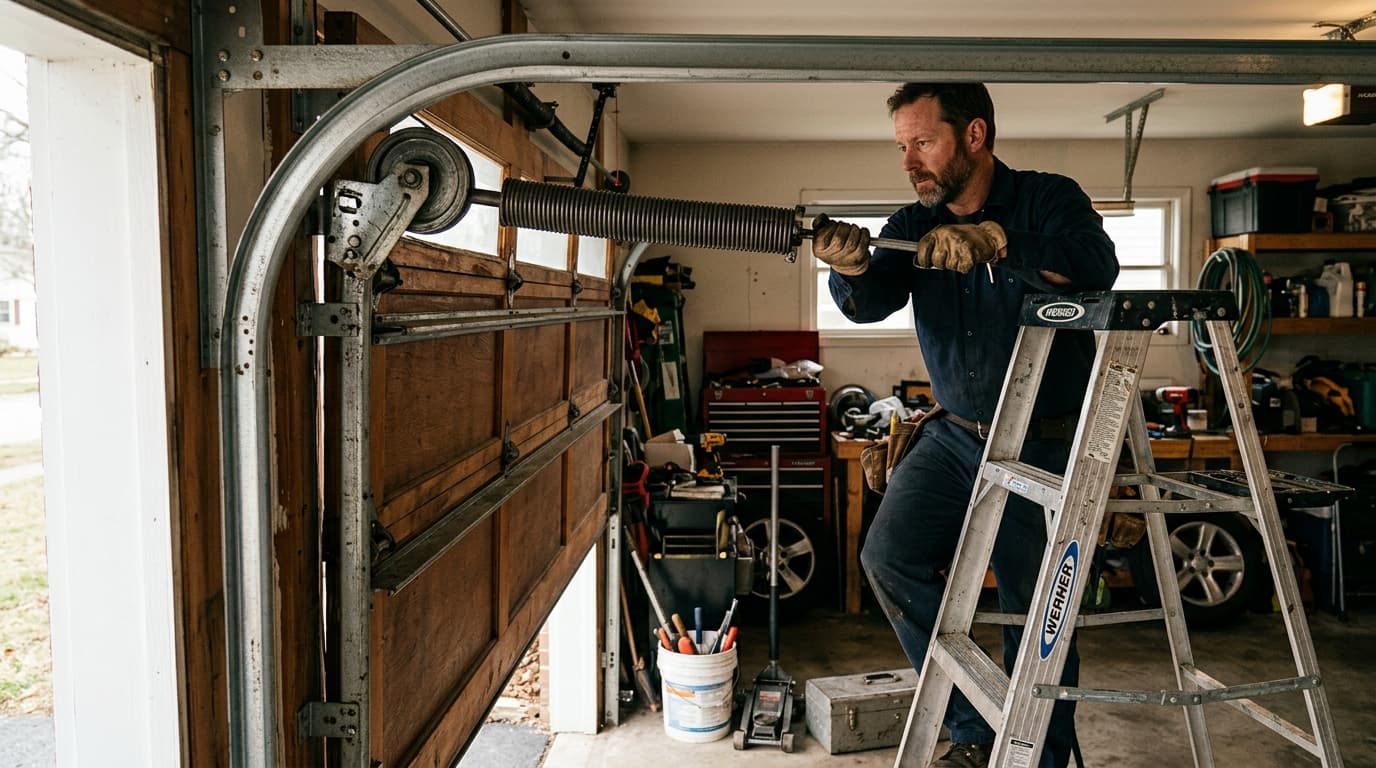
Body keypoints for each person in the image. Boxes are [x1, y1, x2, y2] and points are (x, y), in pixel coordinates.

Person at [812, 83, 1119, 768]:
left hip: (1044, 438)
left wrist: (998, 241)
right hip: (954, 434)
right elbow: (869, 303)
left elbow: (1099, 267)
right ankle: (975, 727)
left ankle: (1040, 756)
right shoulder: (912, 223)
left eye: (922, 142)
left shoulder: (1049, 198)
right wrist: (850, 269)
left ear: (974, 135)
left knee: (1035, 613)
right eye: (901, 146)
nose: (908, 160)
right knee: (887, 558)